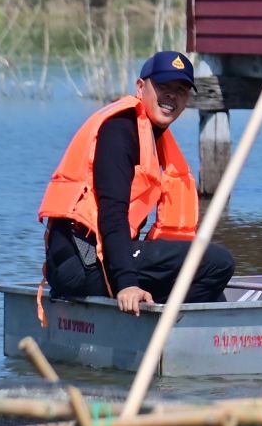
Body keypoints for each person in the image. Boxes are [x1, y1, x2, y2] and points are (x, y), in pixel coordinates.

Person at [37, 50, 234, 310]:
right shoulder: (120, 131)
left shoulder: (151, 135)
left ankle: (167, 321)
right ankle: (158, 326)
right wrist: (127, 283)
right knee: (217, 262)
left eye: (181, 90)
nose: (172, 96)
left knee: (212, 287)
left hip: (96, 259)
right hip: (83, 262)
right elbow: (112, 213)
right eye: (163, 86)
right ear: (141, 87)